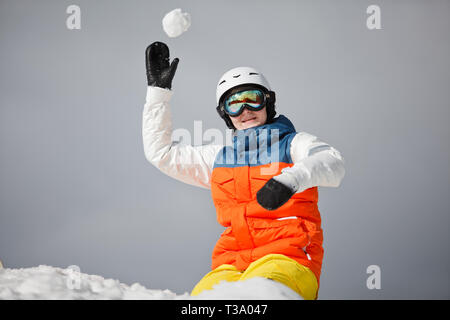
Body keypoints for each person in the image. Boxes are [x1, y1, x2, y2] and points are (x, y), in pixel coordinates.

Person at [142, 42, 345, 299]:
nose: (245, 110)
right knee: (202, 301)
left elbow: (332, 162)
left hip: (289, 258)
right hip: (231, 262)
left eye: (253, 99)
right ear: (225, 114)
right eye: (234, 104)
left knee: (257, 297)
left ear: (268, 102)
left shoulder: (294, 144)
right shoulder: (220, 157)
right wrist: (158, 94)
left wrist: (290, 180)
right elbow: (162, 155)